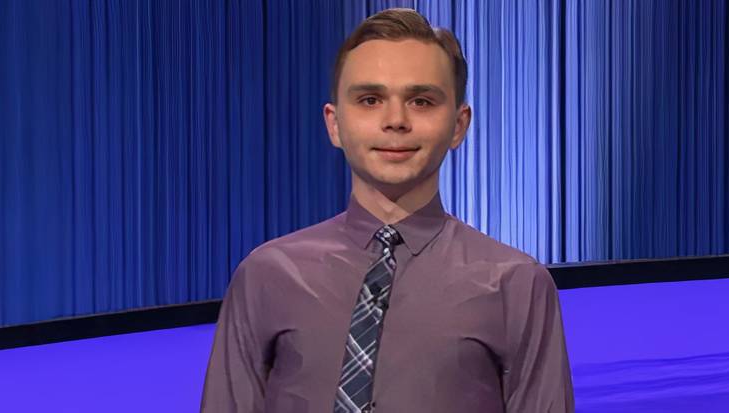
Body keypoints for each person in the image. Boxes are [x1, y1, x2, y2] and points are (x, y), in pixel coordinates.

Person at [201, 8, 574, 413]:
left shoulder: (517, 285)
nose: (395, 121)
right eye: (370, 99)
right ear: (335, 123)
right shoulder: (265, 274)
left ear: (458, 125)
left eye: (421, 100)